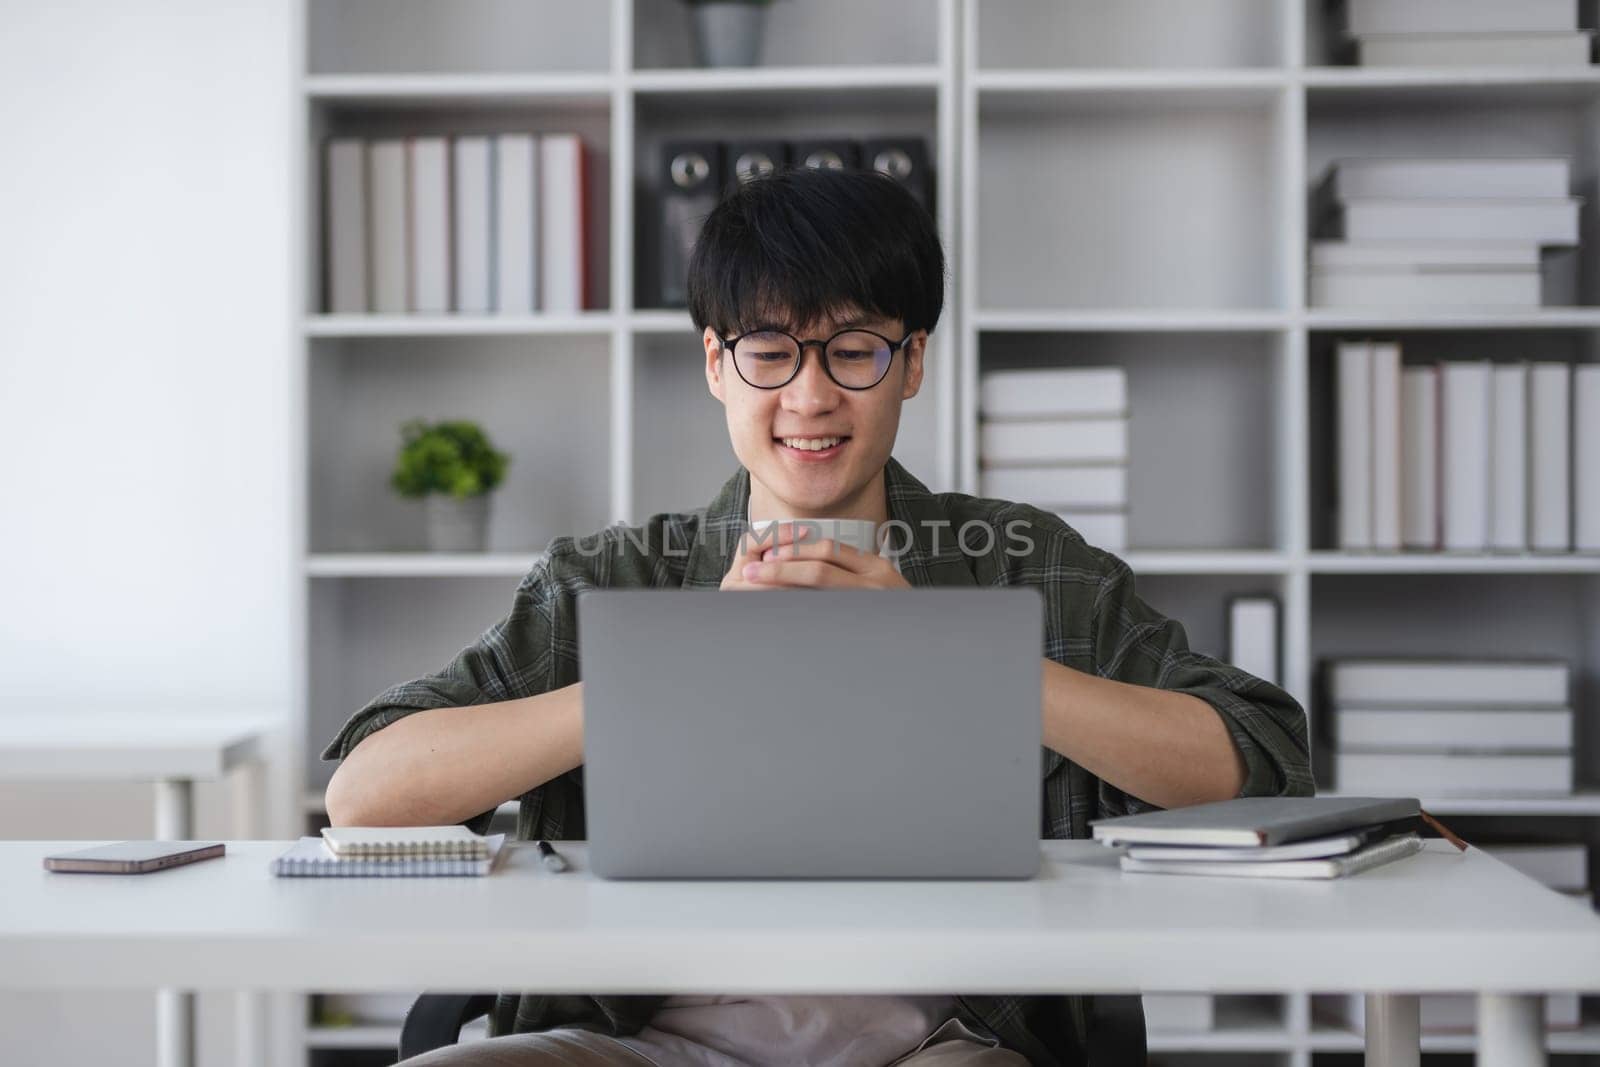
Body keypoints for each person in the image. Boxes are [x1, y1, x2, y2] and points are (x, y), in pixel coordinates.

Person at [321, 167, 1312, 1066]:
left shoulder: (1022, 562)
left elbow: (1260, 754)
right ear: (716, 364)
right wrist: (667, 668)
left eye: (853, 351)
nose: (809, 394)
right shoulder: (615, 575)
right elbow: (364, 792)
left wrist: (954, 657)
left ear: (912, 361)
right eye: (768, 352)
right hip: (637, 1039)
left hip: (942, 1043)